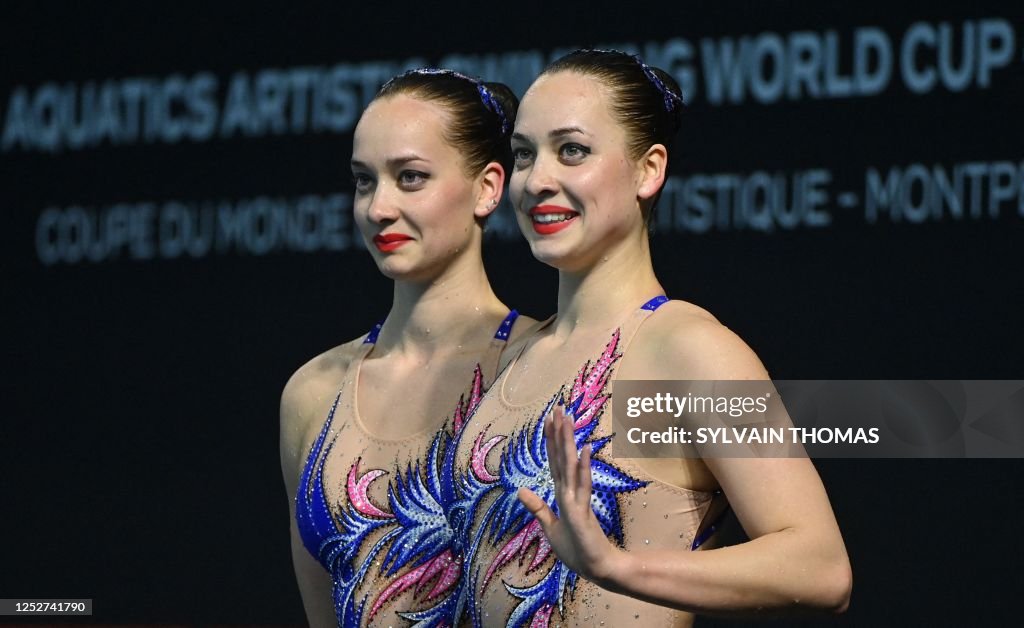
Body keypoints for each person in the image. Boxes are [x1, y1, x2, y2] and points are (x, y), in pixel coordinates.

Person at [448, 49, 852, 626]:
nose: (538, 180)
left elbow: (819, 565)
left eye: (572, 151)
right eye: (523, 154)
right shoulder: (514, 354)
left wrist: (618, 568)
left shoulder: (685, 349)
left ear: (648, 170)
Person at [278, 69, 534, 627]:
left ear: (488, 187)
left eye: (411, 177)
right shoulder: (313, 391)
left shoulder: (547, 362)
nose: (378, 209)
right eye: (364, 181)